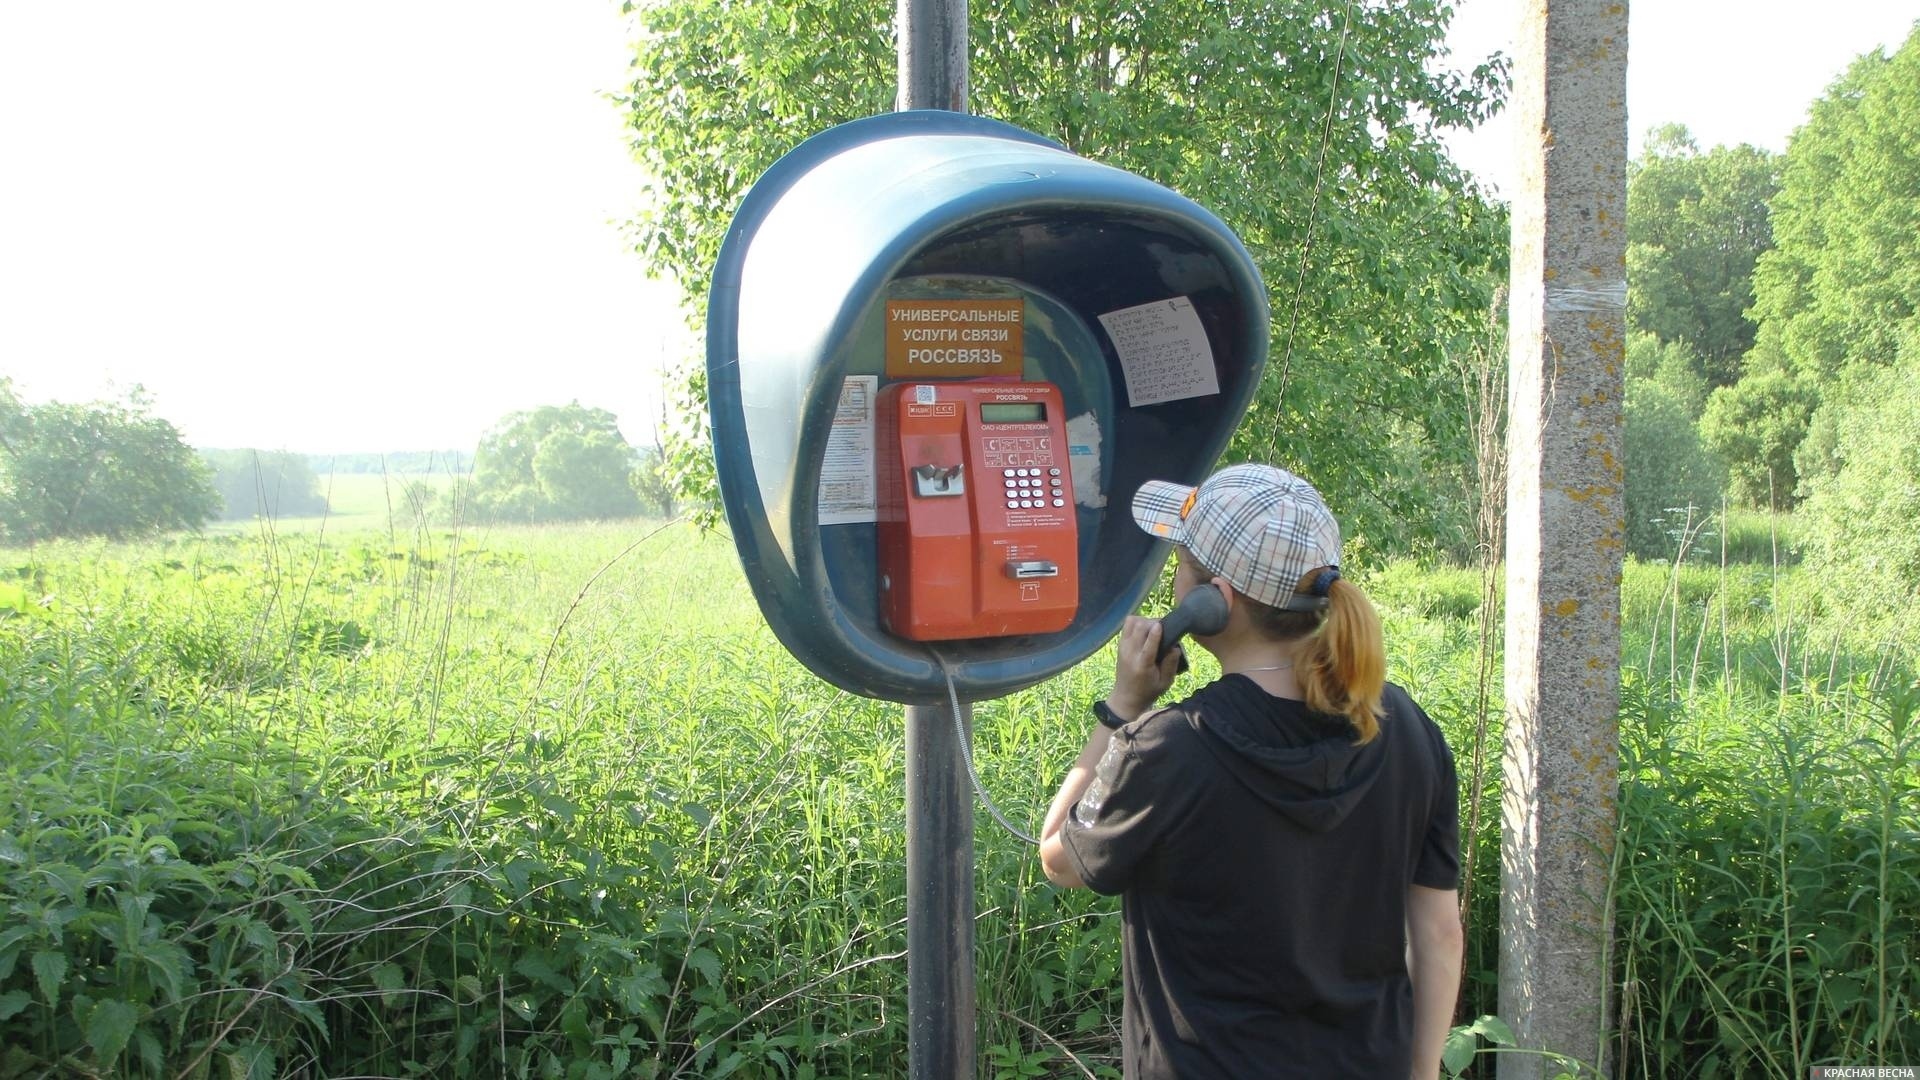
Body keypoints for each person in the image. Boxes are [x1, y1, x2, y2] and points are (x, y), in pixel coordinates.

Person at [1038, 463, 1463, 1079]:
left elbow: (1058, 855)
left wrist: (1122, 708)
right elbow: (1438, 931)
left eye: (1181, 563)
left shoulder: (1169, 747)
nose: (1174, 578)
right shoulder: (1400, 723)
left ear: (1216, 600)